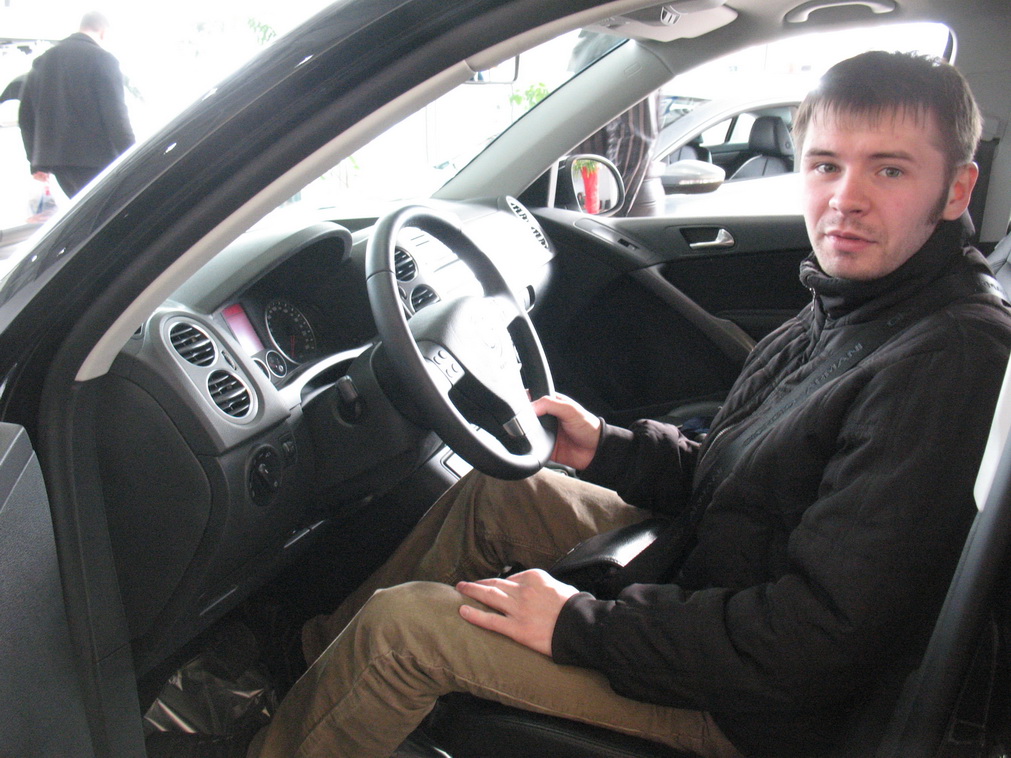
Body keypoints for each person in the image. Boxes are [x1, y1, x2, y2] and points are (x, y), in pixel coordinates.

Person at [250, 51, 1011, 758]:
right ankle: (318, 675)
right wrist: (607, 449)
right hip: (718, 583)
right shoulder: (858, 303)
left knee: (405, 630)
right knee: (500, 490)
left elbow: (811, 644)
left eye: (889, 170)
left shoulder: (945, 358)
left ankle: (321, 704)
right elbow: (748, 478)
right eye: (825, 165)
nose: (846, 199)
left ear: (955, 189)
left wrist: (577, 625)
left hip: (755, 710)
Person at [18, 11, 135, 198]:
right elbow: (115, 114)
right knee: (109, 210)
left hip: (59, 163)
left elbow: (25, 116)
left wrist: (35, 161)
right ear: (103, 31)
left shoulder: (43, 61)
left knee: (87, 210)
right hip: (97, 160)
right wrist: (133, 155)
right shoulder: (103, 58)